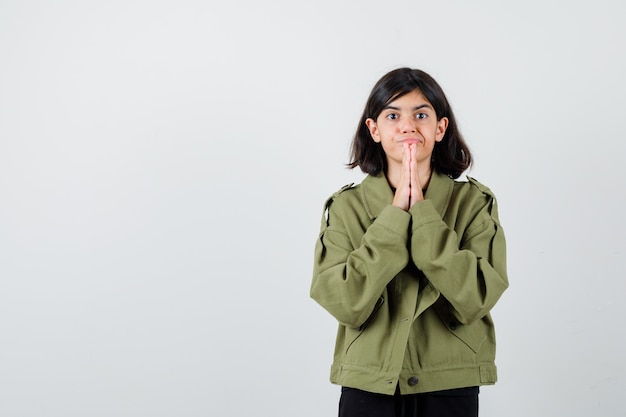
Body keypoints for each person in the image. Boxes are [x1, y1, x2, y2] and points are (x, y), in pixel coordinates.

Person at [310, 67, 508, 417]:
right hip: (369, 386)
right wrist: (394, 216)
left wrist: (424, 214)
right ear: (374, 129)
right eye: (392, 115)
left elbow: (476, 297)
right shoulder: (345, 207)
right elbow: (345, 303)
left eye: (421, 114)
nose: (407, 126)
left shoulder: (474, 203)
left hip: (450, 383)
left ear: (440, 128)